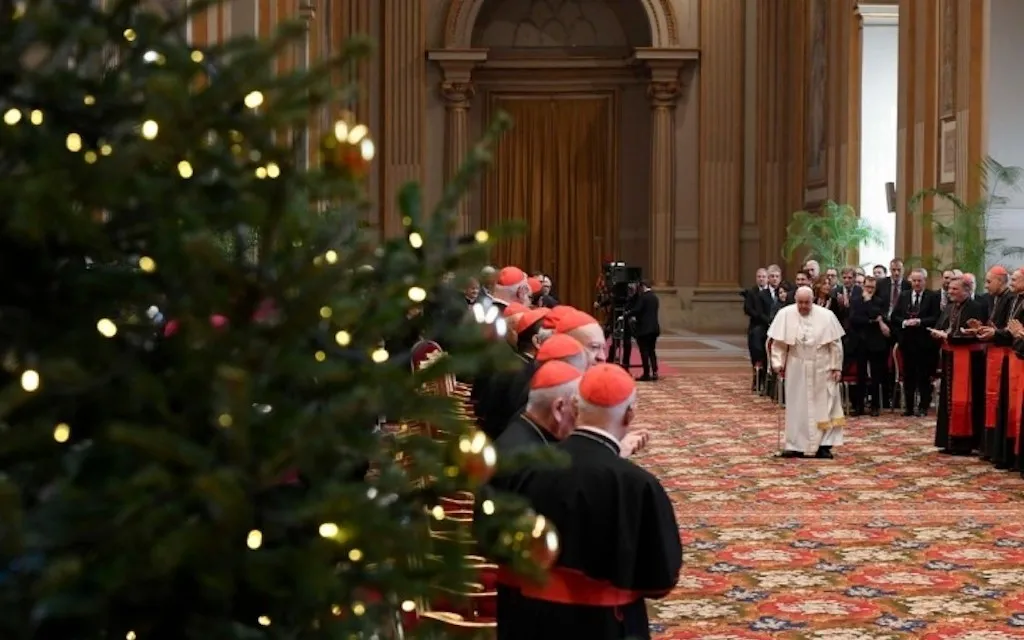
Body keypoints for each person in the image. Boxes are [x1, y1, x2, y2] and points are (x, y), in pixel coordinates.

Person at [497, 364, 682, 640]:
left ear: (575, 406)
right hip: (604, 626)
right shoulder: (638, 485)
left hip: (528, 620)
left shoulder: (529, 465)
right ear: (630, 413)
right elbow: (660, 580)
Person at [767, 286, 845, 459]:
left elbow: (835, 345)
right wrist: (778, 363)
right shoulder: (785, 314)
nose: (803, 306)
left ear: (814, 300)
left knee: (825, 407)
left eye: (807, 302)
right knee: (797, 407)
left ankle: (824, 446)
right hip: (797, 365)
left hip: (822, 366)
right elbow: (778, 343)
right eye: (799, 302)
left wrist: (836, 367)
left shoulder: (827, 316)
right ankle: (795, 445)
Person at [929, 275, 987, 455]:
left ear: (967, 290)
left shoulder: (977, 307)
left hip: (969, 361)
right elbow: (942, 325)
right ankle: (949, 442)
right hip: (949, 358)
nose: (950, 291)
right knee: (948, 400)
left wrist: (950, 336)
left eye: (955, 289)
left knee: (966, 400)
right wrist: (938, 334)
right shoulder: (949, 307)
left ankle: (965, 444)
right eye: (949, 288)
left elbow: (975, 334)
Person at [890, 268, 941, 416]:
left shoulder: (932, 296)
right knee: (908, 376)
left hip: (925, 344)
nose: (917, 283)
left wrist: (920, 321)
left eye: (919, 280)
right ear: (910, 281)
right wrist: (905, 322)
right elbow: (895, 316)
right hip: (908, 342)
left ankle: (923, 406)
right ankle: (909, 407)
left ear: (925, 281)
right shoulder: (904, 295)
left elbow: (936, 317)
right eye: (914, 280)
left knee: (923, 376)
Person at [848, 276, 891, 416]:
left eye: (872, 287)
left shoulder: (879, 301)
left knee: (876, 375)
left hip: (876, 343)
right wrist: (871, 320)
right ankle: (859, 406)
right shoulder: (855, 301)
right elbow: (854, 319)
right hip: (861, 342)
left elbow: (879, 315)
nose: (870, 290)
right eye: (867, 287)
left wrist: (868, 306)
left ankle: (875, 406)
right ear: (863, 287)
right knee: (861, 375)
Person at [628, 280, 661, 381]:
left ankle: (646, 373)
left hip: (644, 329)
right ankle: (655, 372)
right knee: (652, 350)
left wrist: (627, 314)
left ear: (643, 287)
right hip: (654, 328)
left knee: (644, 351)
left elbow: (637, 310)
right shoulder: (655, 297)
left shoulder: (643, 297)